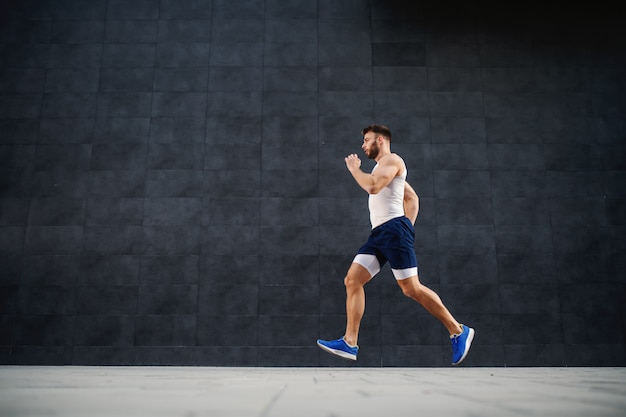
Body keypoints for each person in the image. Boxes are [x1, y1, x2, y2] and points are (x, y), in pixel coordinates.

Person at [317, 124, 474, 365]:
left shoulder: (392, 161)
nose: (363, 145)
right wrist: (407, 224)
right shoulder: (385, 168)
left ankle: (458, 330)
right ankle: (350, 342)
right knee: (353, 280)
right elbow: (411, 197)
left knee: (411, 288)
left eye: (366, 140)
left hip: (393, 232)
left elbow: (372, 186)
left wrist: (354, 170)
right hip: (381, 234)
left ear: (379, 140)